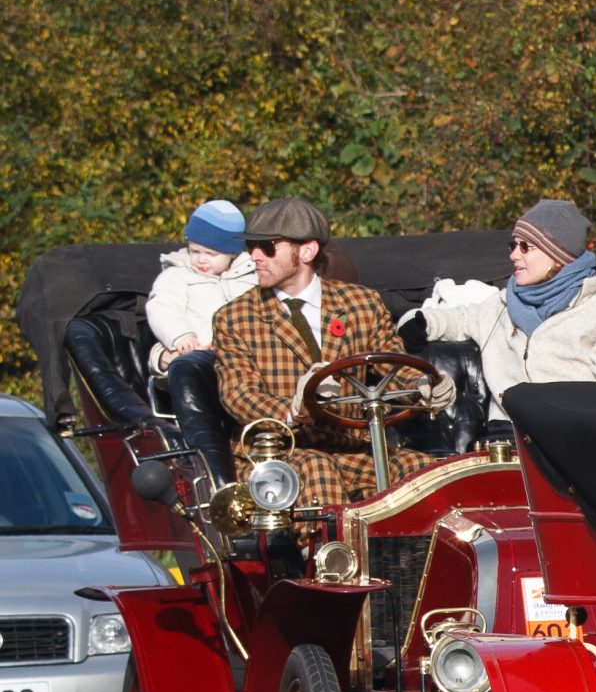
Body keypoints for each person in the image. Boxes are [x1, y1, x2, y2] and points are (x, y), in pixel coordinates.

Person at [208, 198, 442, 505]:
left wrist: (423, 386)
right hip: (282, 451)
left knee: (430, 476)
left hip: (352, 447)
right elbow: (238, 394)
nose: (253, 256)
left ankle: (413, 553)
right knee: (320, 475)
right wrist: (295, 408)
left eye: (266, 247)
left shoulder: (362, 304)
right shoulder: (235, 317)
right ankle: (328, 554)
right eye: (250, 246)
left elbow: (394, 365)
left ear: (306, 251)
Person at [418, 198, 596, 416]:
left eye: (526, 247)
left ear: (558, 255)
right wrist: (422, 322)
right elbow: (463, 318)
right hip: (506, 439)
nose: (513, 255)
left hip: (578, 440)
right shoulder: (501, 305)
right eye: (512, 245)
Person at [144, 200, 257, 373]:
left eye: (211, 254)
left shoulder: (251, 277)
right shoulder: (177, 276)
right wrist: (181, 335)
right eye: (195, 251)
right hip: (196, 353)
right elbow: (162, 308)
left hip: (245, 359)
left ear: (232, 253)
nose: (201, 259)